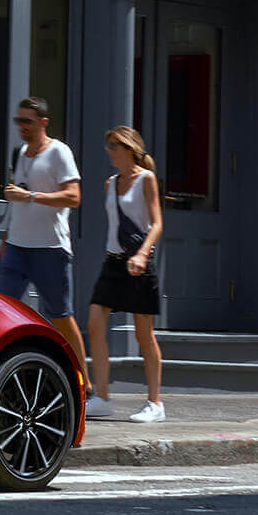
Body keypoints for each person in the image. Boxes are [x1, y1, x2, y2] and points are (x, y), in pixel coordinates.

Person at [0, 97, 94, 399]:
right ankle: (3, 380)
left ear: (43, 122)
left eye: (28, 121)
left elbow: (73, 197)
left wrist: (32, 197)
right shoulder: (20, 153)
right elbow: (18, 204)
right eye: (19, 121)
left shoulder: (59, 152)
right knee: (2, 312)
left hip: (50, 248)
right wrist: (5, 241)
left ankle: (83, 384)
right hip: (16, 247)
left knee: (60, 316)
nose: (22, 127)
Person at [84, 126, 165, 423]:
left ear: (128, 149)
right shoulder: (110, 183)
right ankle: (103, 397)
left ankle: (155, 403)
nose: (109, 152)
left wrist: (143, 254)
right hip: (113, 262)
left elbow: (156, 224)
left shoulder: (146, 180)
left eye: (113, 147)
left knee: (145, 335)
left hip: (139, 262)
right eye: (108, 147)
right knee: (94, 324)